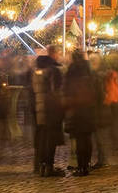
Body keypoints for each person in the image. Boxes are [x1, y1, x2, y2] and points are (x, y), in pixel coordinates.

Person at [63, 50, 98, 177]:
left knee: (79, 139)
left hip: (76, 108)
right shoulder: (89, 70)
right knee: (87, 138)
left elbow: (66, 89)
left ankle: (81, 166)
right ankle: (86, 164)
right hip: (88, 108)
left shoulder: (71, 71)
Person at [32, 46, 65, 177]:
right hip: (50, 109)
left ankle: (42, 166)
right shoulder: (53, 71)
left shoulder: (36, 72)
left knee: (42, 139)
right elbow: (56, 91)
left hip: (39, 109)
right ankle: (49, 167)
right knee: (51, 140)